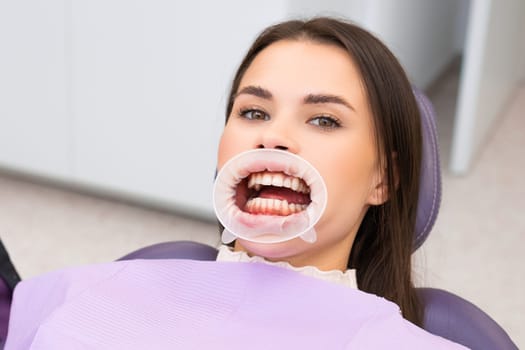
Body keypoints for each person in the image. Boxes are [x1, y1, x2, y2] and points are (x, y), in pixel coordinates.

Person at [4, 17, 467, 349]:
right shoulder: (103, 292)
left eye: (324, 119)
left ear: (383, 180)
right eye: (253, 112)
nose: (272, 136)